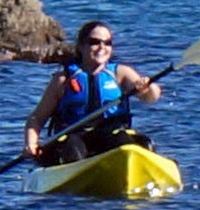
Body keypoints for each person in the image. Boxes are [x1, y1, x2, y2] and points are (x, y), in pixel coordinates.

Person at [22, 22, 163, 164]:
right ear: (81, 46)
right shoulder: (63, 79)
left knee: (127, 145)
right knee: (73, 152)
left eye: (107, 43)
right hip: (75, 136)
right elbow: (37, 118)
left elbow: (151, 98)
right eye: (94, 42)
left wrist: (148, 88)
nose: (102, 48)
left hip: (110, 133)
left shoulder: (120, 73)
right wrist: (31, 143)